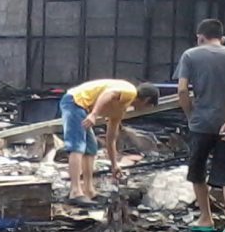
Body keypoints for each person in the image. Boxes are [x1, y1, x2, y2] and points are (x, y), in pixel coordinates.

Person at [176, 19, 225, 232]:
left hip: (201, 124)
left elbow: (181, 90)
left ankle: (206, 218)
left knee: (197, 171)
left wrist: (190, 116)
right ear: (222, 38)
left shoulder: (190, 55)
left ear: (200, 37)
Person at [60, 79, 160, 207]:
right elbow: (107, 94)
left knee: (91, 148)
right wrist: (94, 115)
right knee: (77, 145)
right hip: (75, 102)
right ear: (147, 100)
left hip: (82, 108)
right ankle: (75, 191)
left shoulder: (120, 108)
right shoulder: (130, 91)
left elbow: (111, 138)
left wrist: (114, 165)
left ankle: (89, 190)